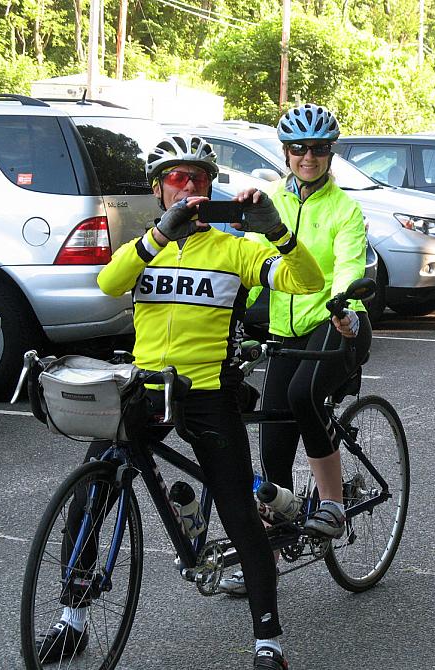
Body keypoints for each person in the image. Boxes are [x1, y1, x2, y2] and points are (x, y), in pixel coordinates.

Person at [34, 133, 324, 670]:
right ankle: (71, 617)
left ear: (211, 187)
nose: (187, 187)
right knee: (90, 491)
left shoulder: (235, 246)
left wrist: (279, 234)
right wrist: (155, 239)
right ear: (158, 190)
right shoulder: (146, 245)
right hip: (144, 388)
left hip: (206, 392)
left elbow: (307, 281)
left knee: (236, 507)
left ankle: (268, 640)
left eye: (198, 178)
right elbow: (108, 281)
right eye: (175, 177)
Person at [220, 103, 372, 596]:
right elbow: (246, 255)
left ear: (330, 153)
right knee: (273, 438)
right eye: (299, 148)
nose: (308, 156)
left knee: (306, 395)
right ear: (286, 152)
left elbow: (348, 264)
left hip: (338, 321)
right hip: (285, 331)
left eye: (319, 148)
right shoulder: (273, 201)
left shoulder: (344, 209)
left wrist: (345, 302)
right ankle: (267, 549)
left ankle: (331, 502)